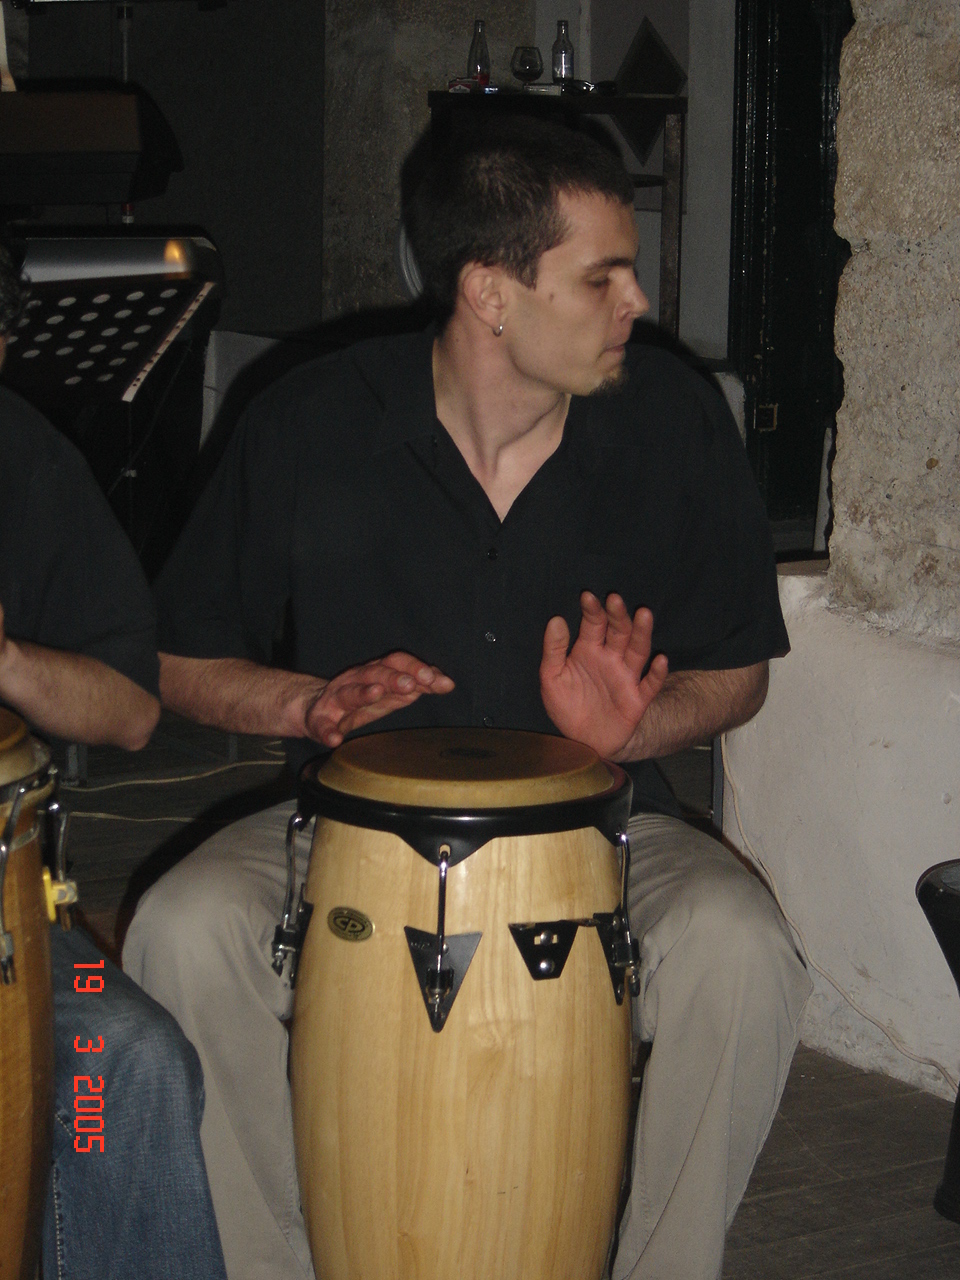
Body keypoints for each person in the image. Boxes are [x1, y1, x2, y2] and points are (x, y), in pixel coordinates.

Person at [124, 119, 812, 1280]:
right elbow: (174, 659)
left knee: (743, 949)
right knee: (178, 927)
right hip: (349, 831)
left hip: (602, 828)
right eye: (601, 276)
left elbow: (739, 667)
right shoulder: (311, 416)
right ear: (491, 292)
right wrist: (308, 705)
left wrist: (636, 726)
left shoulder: (673, 417)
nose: (637, 300)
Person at [0, 241, 228, 1280]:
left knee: (119, 1059)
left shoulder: (24, 460)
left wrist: (7, 658)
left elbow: (131, 709)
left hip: (10, 919)